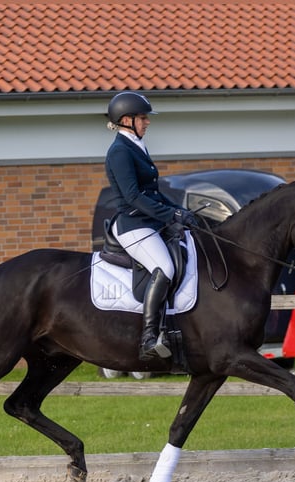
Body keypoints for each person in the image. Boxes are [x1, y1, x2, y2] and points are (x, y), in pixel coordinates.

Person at [104, 91, 199, 360]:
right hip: (133, 225)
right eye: (142, 118)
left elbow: (153, 192)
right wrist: (170, 216)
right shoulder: (119, 151)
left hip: (149, 222)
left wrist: (179, 211)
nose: (147, 123)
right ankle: (149, 336)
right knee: (165, 267)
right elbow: (134, 196)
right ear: (126, 120)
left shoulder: (136, 144)